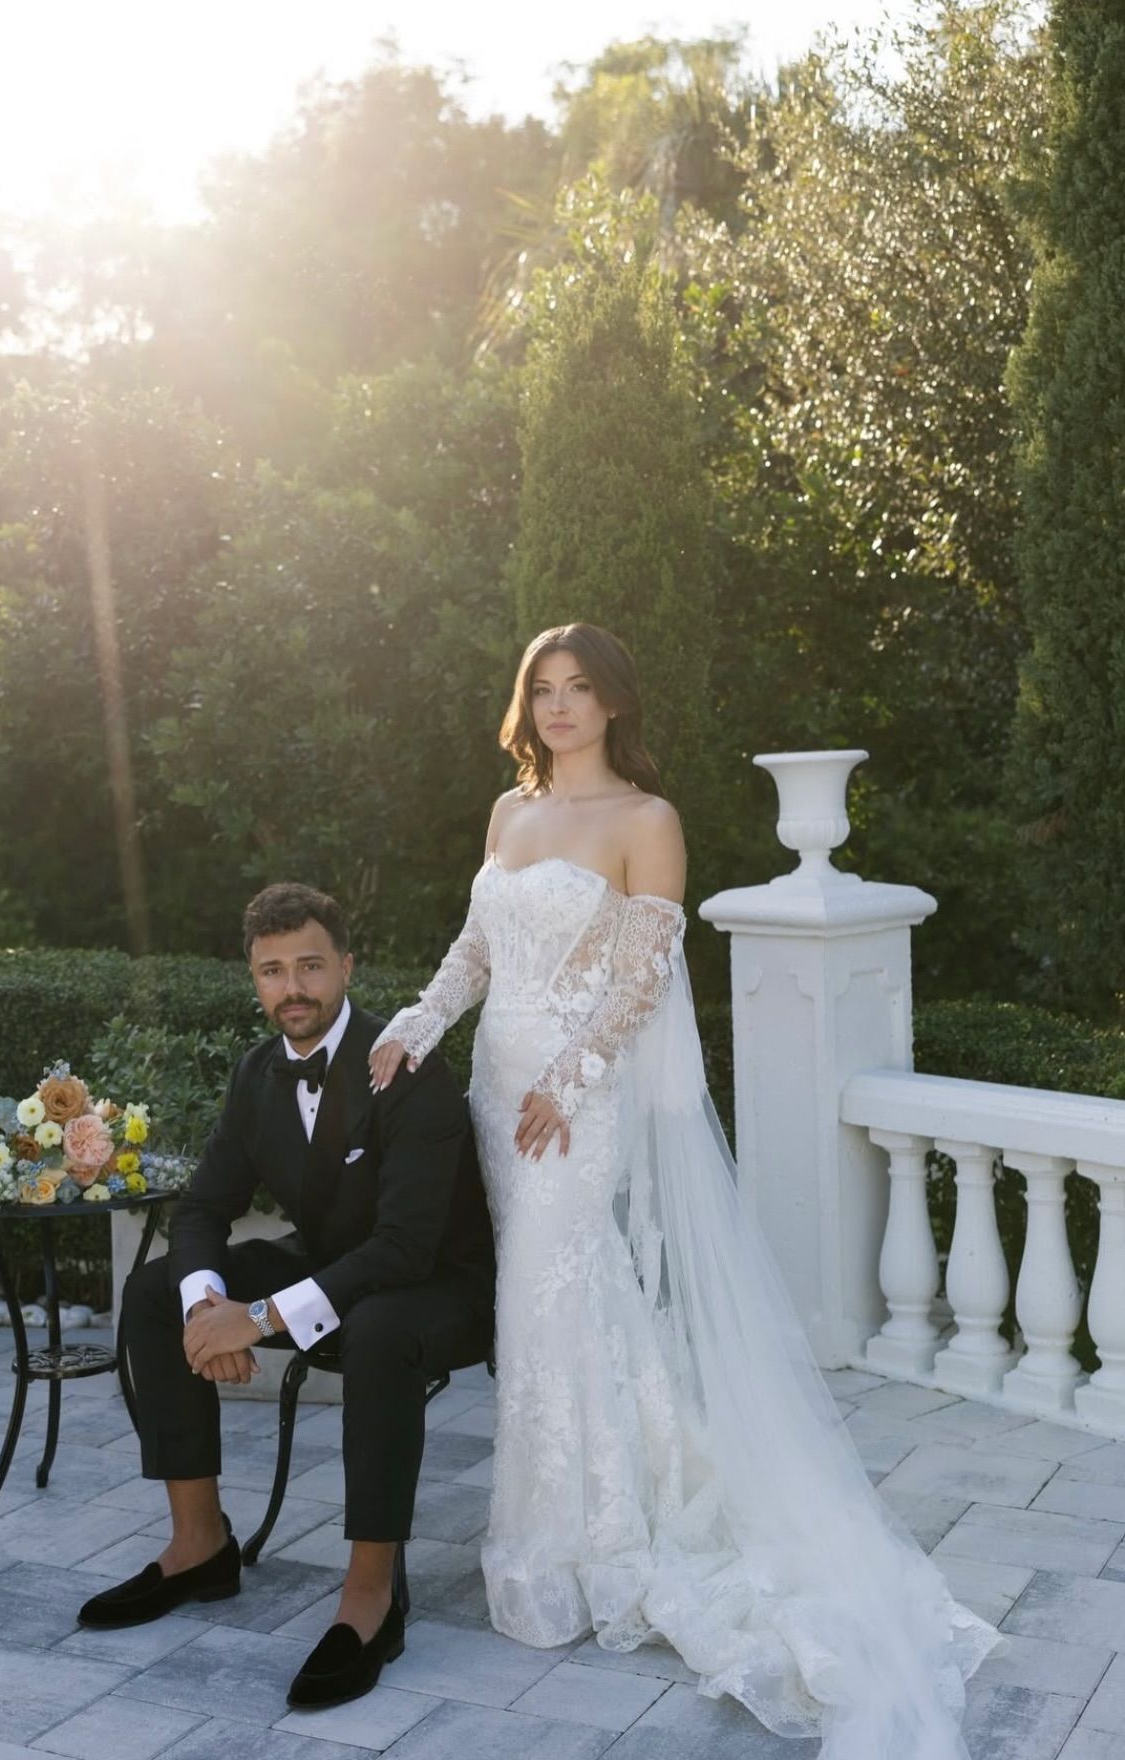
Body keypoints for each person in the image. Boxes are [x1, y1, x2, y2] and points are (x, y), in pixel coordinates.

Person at [369, 623, 1002, 1759]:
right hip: (497, 1090)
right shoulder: (509, 812)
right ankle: (590, 1506)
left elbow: (641, 977)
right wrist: (418, 1023)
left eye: (580, 688)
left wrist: (571, 1077)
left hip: (573, 1102)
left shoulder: (646, 820)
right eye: (543, 689)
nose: (560, 706)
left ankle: (582, 1546)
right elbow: (476, 949)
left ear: (614, 702)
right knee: (559, 1306)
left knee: (548, 1298)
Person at [78, 882, 495, 1711]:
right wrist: (208, 1312)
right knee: (158, 1290)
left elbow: (404, 1247)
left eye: (310, 966)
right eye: (273, 971)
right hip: (335, 1263)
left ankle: (371, 1596)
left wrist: (260, 1318)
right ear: (254, 979)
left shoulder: (408, 1065)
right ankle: (200, 1546)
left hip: (438, 1283)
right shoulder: (257, 1074)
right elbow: (203, 1208)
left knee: (377, 1331)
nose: (292, 988)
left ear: (346, 966)